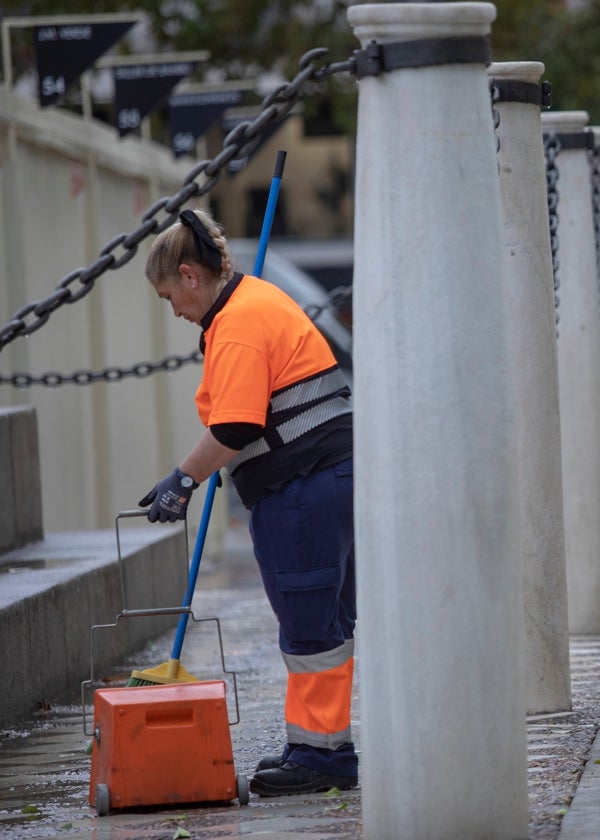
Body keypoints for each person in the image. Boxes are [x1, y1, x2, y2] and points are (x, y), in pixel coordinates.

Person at [138, 208, 356, 797]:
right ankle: (320, 746)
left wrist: (180, 480)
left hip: (303, 486)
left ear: (190, 276)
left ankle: (322, 758)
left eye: (169, 297)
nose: (175, 311)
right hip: (326, 476)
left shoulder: (236, 322)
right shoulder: (257, 299)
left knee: (311, 622)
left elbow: (235, 424)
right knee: (325, 622)